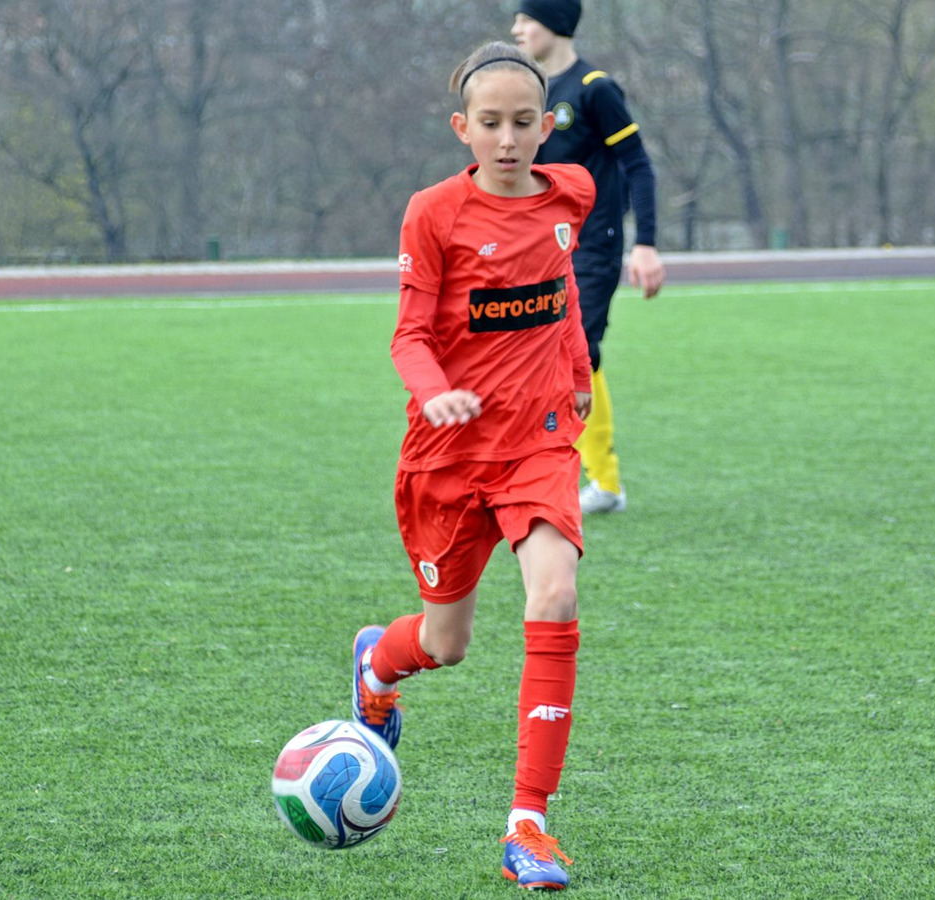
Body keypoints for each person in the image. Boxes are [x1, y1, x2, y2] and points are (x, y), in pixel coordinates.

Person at [351, 40, 595, 891]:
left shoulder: (571, 193)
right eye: (490, 123)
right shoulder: (433, 213)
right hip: (448, 457)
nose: (508, 138)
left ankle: (528, 825)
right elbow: (409, 335)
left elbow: (561, 288)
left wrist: (578, 371)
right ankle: (379, 666)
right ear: (463, 128)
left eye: (524, 121)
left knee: (555, 593)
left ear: (548, 124)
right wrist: (436, 393)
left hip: (538, 443)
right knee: (446, 644)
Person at [512, 0, 665, 515]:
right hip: (545, 247)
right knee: (547, 350)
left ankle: (602, 481)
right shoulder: (533, 92)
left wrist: (645, 242)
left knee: (578, 350)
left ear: (554, 23)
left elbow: (637, 165)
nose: (516, 28)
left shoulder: (595, 88)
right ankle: (583, 475)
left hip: (594, 245)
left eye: (526, 19)